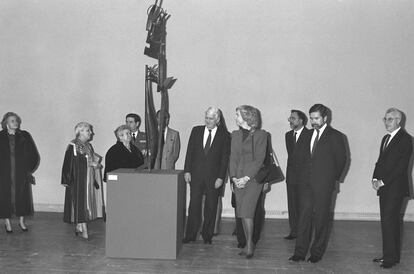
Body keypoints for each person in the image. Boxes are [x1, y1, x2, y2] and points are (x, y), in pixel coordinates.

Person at [289, 103, 347, 263]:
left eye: (316, 118)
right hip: (305, 184)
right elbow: (300, 158)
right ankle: (299, 253)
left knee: (321, 218)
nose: (313, 121)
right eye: (312, 118)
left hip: (324, 185)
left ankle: (316, 253)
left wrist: (330, 179)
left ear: (325, 118)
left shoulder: (336, 136)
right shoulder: (307, 135)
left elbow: (342, 160)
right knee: (304, 218)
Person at [372, 108, 413, 269]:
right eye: (385, 119)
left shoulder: (405, 139)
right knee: (389, 222)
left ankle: (390, 259)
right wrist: (375, 178)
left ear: (398, 121)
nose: (386, 122)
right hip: (385, 187)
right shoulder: (385, 138)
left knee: (390, 222)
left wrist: (382, 181)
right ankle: (390, 255)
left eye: (390, 119)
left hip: (395, 188)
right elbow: (380, 162)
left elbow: (401, 167)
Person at [182, 107, 230, 245]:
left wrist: (221, 177)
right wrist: (187, 171)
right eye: (206, 118)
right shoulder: (196, 130)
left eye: (211, 119)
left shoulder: (225, 135)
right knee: (194, 206)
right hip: (196, 175)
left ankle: (207, 235)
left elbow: (224, 159)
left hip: (214, 178)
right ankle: (190, 234)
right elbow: (189, 152)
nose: (208, 121)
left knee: (211, 206)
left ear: (217, 120)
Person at [229, 105, 268, 259]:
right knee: (242, 214)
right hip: (237, 179)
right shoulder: (235, 134)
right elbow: (232, 158)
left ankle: (250, 244)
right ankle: (246, 243)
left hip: (252, 180)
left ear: (247, 117)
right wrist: (233, 178)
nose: (235, 117)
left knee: (247, 212)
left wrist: (245, 178)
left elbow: (259, 160)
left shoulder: (261, 135)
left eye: (237, 114)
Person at [61, 122, 104, 239]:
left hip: (88, 180)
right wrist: (66, 180)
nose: (91, 133)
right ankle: (83, 228)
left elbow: (89, 159)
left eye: (90, 130)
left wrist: (94, 164)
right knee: (81, 203)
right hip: (78, 180)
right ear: (80, 131)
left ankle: (80, 225)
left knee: (86, 203)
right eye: (88, 130)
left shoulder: (88, 146)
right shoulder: (73, 145)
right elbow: (69, 164)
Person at [0, 112, 39, 233]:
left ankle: (22, 221)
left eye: (16, 120)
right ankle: (7, 222)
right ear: (6, 123)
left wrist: (28, 169)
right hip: (4, 172)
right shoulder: (0, 136)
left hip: (21, 172)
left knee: (21, 197)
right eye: (12, 120)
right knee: (5, 196)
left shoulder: (25, 135)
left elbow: (34, 154)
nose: (15, 122)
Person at [284, 109, 310, 240]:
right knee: (292, 205)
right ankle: (294, 231)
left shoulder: (310, 134)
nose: (290, 120)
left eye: (293, 118)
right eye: (290, 118)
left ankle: (303, 233)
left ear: (301, 120)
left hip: (305, 178)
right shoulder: (288, 135)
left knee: (304, 206)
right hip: (291, 177)